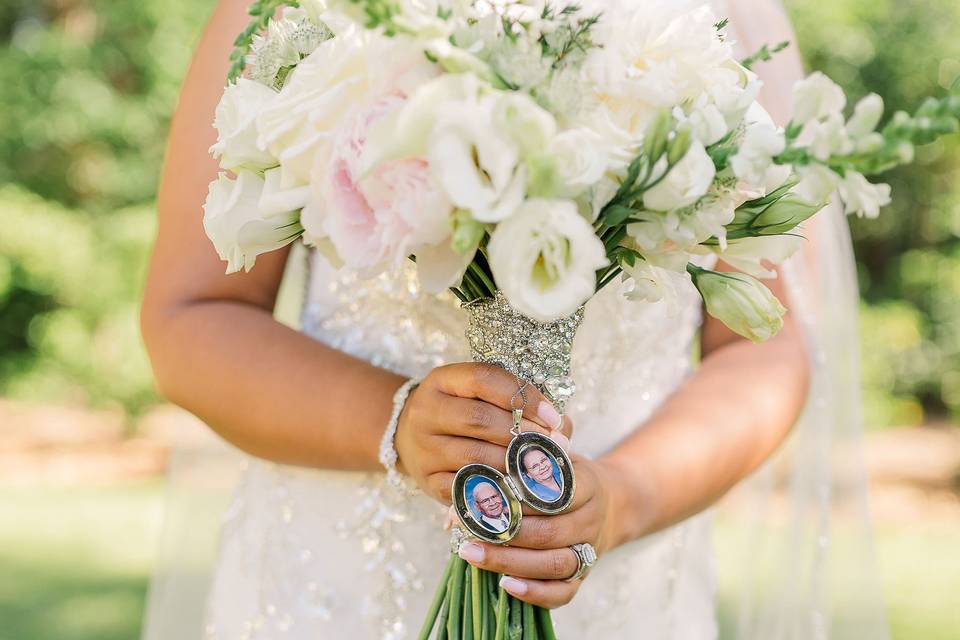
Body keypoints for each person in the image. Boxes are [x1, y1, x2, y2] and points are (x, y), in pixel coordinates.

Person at [139, 1, 887, 638]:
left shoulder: (708, 17)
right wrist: (396, 422)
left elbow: (764, 345)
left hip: (620, 586)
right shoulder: (294, 15)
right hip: (330, 583)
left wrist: (621, 500)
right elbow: (192, 312)